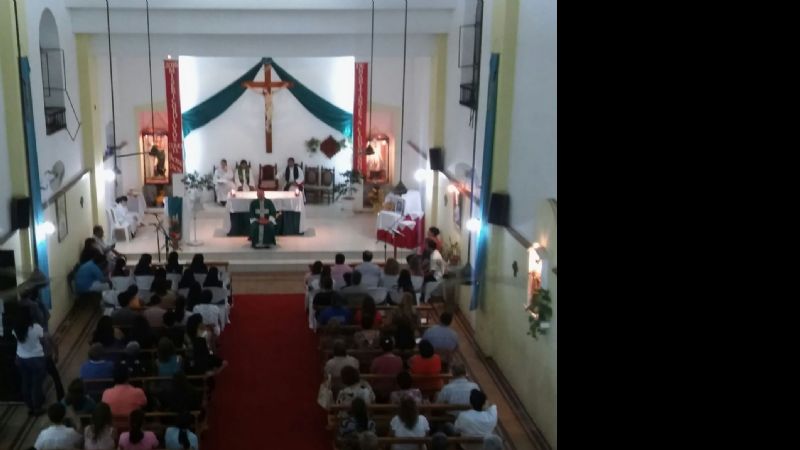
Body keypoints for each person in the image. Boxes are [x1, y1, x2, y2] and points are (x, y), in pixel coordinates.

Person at [13, 307, 47, 415]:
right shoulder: (35, 328)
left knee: (25, 382)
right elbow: (43, 340)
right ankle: (37, 407)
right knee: (36, 384)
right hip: (36, 358)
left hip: (21, 358)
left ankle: (30, 407)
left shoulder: (16, 329)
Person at [370, 336, 404, 401]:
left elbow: (372, 377)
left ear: (381, 347)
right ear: (392, 347)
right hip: (393, 390)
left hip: (379, 391)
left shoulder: (376, 360)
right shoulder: (399, 360)